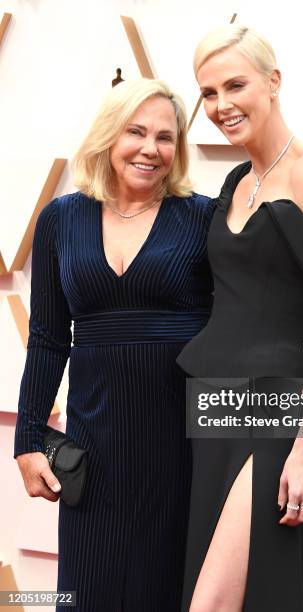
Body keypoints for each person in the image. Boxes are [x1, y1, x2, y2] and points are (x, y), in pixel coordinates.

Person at [177, 25, 303, 611]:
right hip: (213, 408)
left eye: (235, 85)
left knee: (215, 602)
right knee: (263, 590)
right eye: (208, 93)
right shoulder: (235, 184)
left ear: (274, 82)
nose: (221, 105)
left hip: (276, 411)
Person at [14, 78, 215, 611]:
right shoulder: (61, 219)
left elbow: (238, 325)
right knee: (88, 592)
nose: (151, 150)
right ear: (109, 136)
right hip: (93, 444)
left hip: (182, 444)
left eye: (166, 138)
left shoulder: (204, 217)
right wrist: (28, 438)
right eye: (137, 132)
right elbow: (48, 338)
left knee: (165, 590)